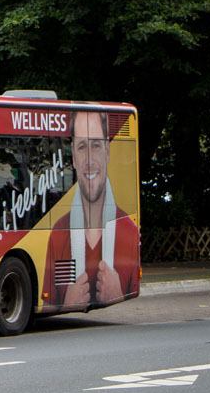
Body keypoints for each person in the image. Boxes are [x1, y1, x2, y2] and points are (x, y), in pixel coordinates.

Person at [44, 110, 139, 309]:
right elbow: (45, 307)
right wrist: (67, 306)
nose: (89, 160)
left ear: (107, 151)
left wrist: (118, 295)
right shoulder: (58, 233)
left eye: (96, 145)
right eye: (82, 146)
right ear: (74, 156)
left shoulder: (128, 232)